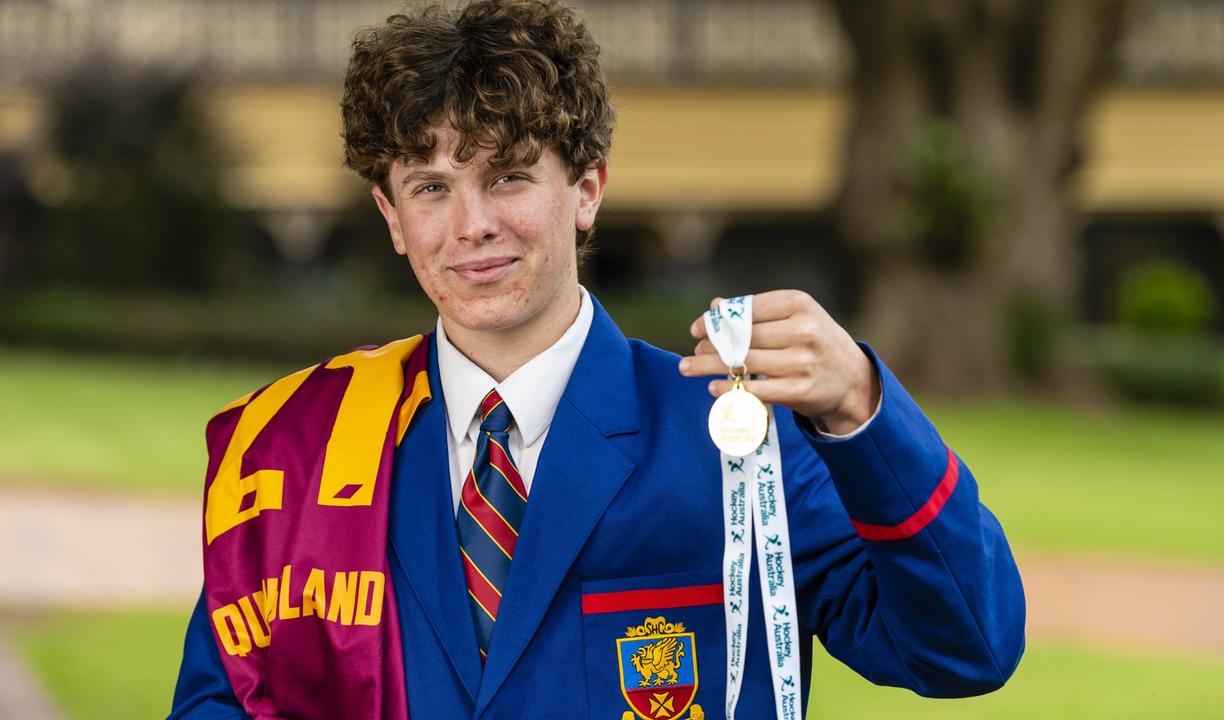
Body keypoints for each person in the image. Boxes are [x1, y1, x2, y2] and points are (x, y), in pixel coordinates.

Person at [170, 1, 1025, 718]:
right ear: (392, 217)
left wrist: (862, 411)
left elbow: (966, 648)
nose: (471, 225)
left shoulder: (739, 438)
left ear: (586, 190)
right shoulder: (299, 454)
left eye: (506, 177)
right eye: (431, 187)